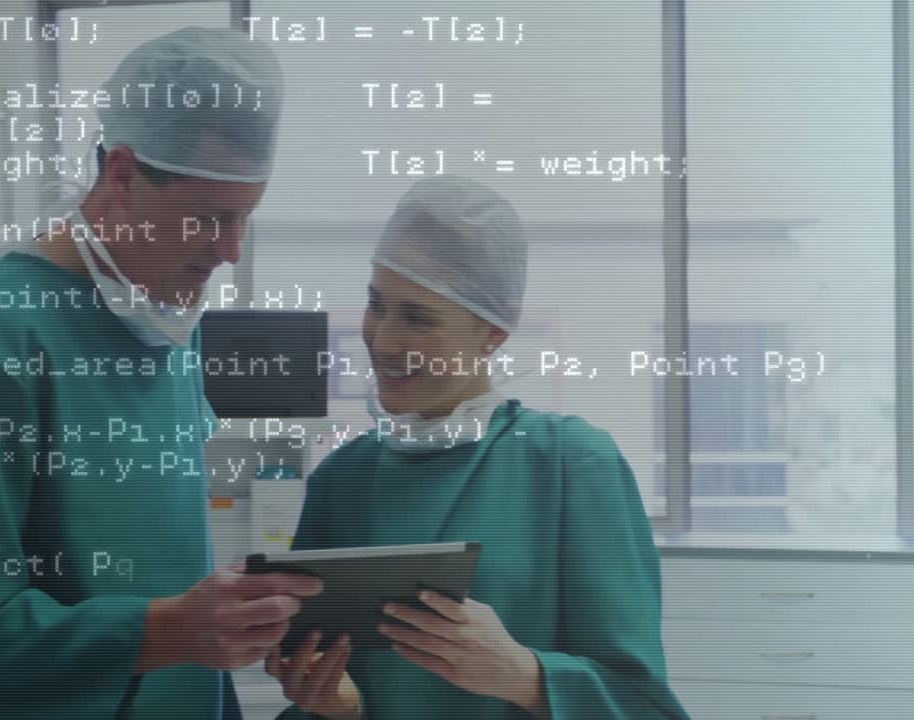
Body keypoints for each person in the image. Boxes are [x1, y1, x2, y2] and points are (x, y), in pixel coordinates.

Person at [0, 27, 323, 720]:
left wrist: (216, 629)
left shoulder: (156, 322)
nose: (228, 251)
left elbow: (180, 599)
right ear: (121, 175)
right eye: (207, 219)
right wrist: (165, 631)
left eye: (245, 219)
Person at [265, 176, 691, 719]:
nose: (384, 340)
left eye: (419, 317)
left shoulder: (570, 463)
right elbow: (322, 681)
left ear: (494, 330)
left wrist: (525, 677)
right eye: (377, 305)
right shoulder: (342, 479)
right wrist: (334, 708)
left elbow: (643, 705)